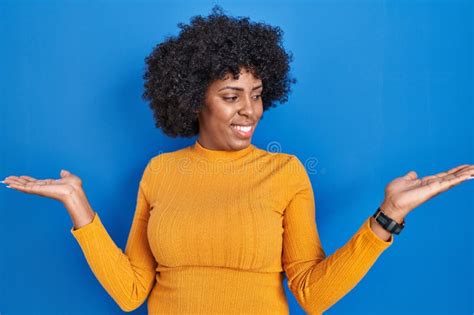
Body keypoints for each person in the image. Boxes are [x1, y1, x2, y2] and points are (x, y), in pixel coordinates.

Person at [3, 5, 473, 315]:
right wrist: (76, 202)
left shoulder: (285, 172)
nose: (250, 110)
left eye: (257, 95)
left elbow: (312, 292)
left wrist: (388, 216)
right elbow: (130, 293)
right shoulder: (160, 172)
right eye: (231, 96)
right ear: (193, 100)